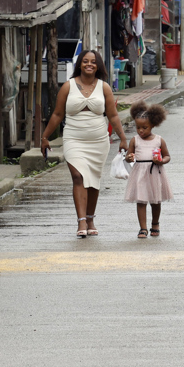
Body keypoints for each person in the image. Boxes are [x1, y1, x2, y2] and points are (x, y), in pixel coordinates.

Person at [40, 50, 129, 238]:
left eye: (93, 62)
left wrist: (123, 138)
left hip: (98, 141)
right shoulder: (68, 86)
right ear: (79, 64)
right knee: (78, 176)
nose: (89, 64)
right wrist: (45, 137)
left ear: (98, 66)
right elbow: (57, 114)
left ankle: (90, 218)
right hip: (74, 139)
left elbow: (112, 115)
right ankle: (81, 220)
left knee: (93, 181)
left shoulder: (104, 87)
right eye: (85, 61)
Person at [124, 101, 173, 238]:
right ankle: (143, 228)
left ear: (153, 125)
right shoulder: (135, 140)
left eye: (144, 127)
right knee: (141, 200)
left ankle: (155, 223)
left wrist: (161, 161)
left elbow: (167, 156)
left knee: (155, 200)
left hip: (155, 172)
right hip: (139, 173)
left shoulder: (159, 140)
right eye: (138, 127)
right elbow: (129, 156)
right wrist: (129, 158)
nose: (141, 130)